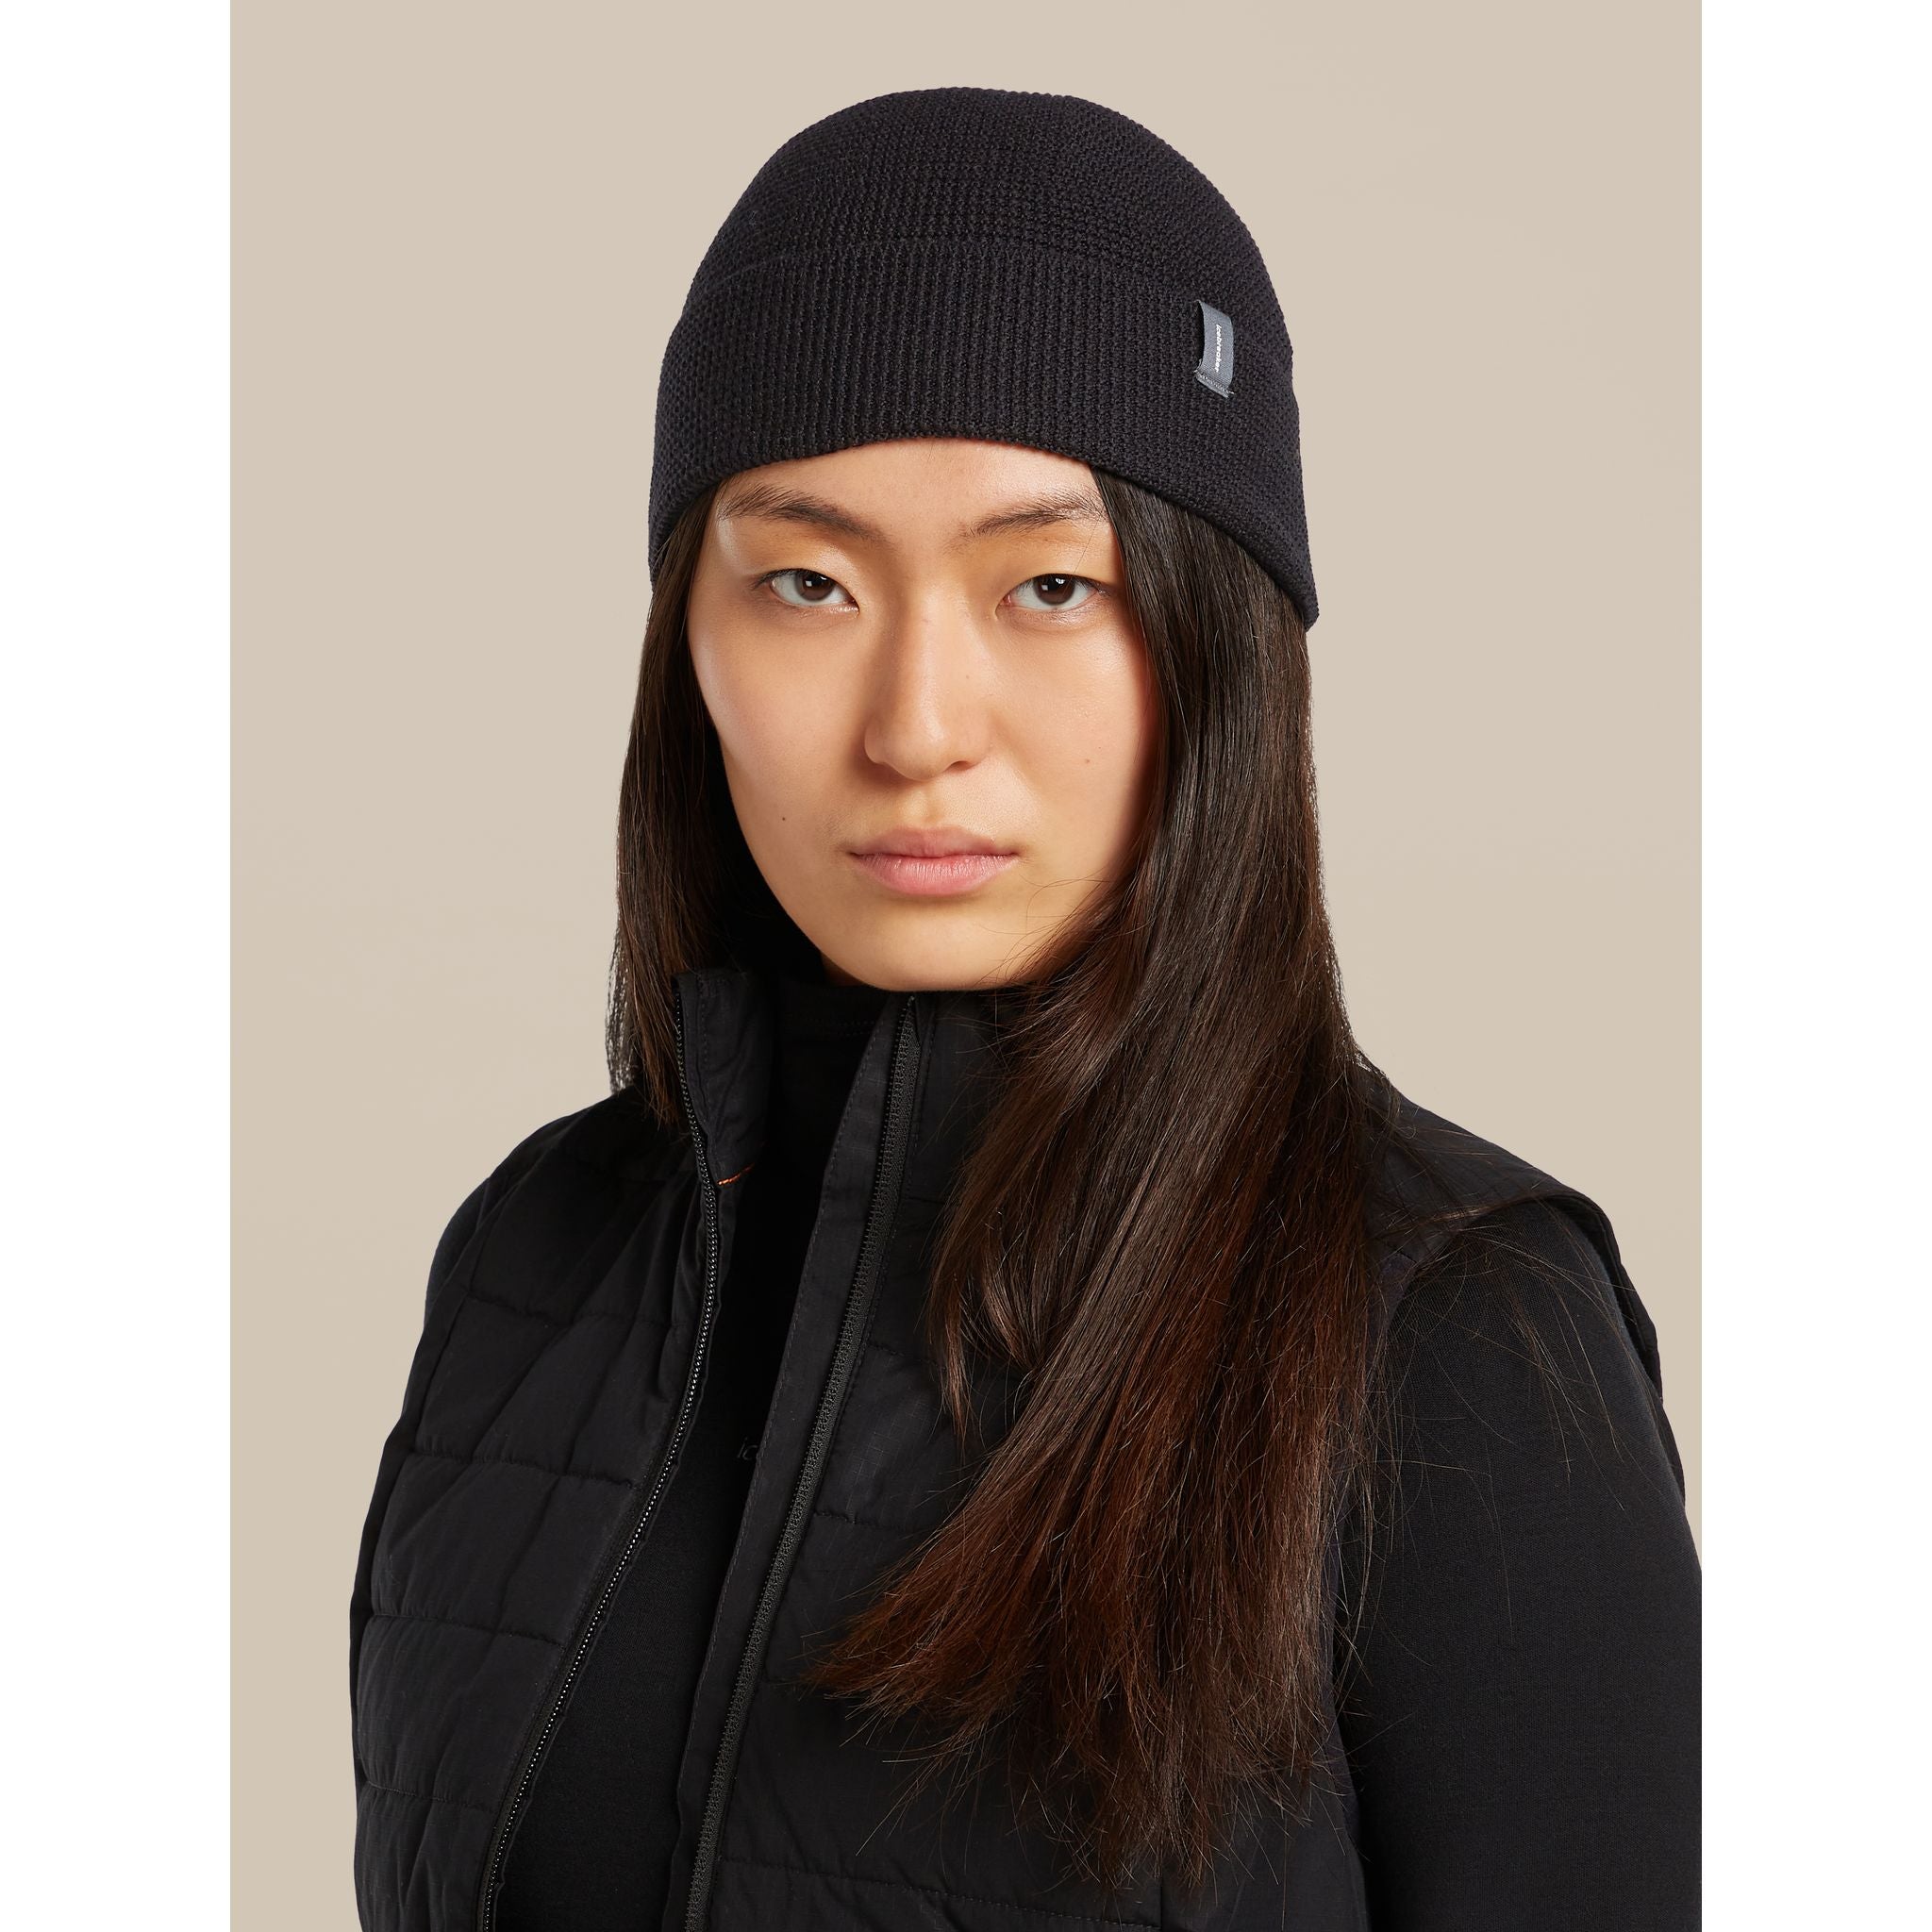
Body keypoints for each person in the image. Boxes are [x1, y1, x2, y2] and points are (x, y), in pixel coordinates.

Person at [348, 86, 1699, 1932]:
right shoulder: (535, 1254)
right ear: (689, 642)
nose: (917, 725)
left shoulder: (1465, 1337)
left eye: (1051, 586)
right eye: (807, 582)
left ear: (1217, 645)